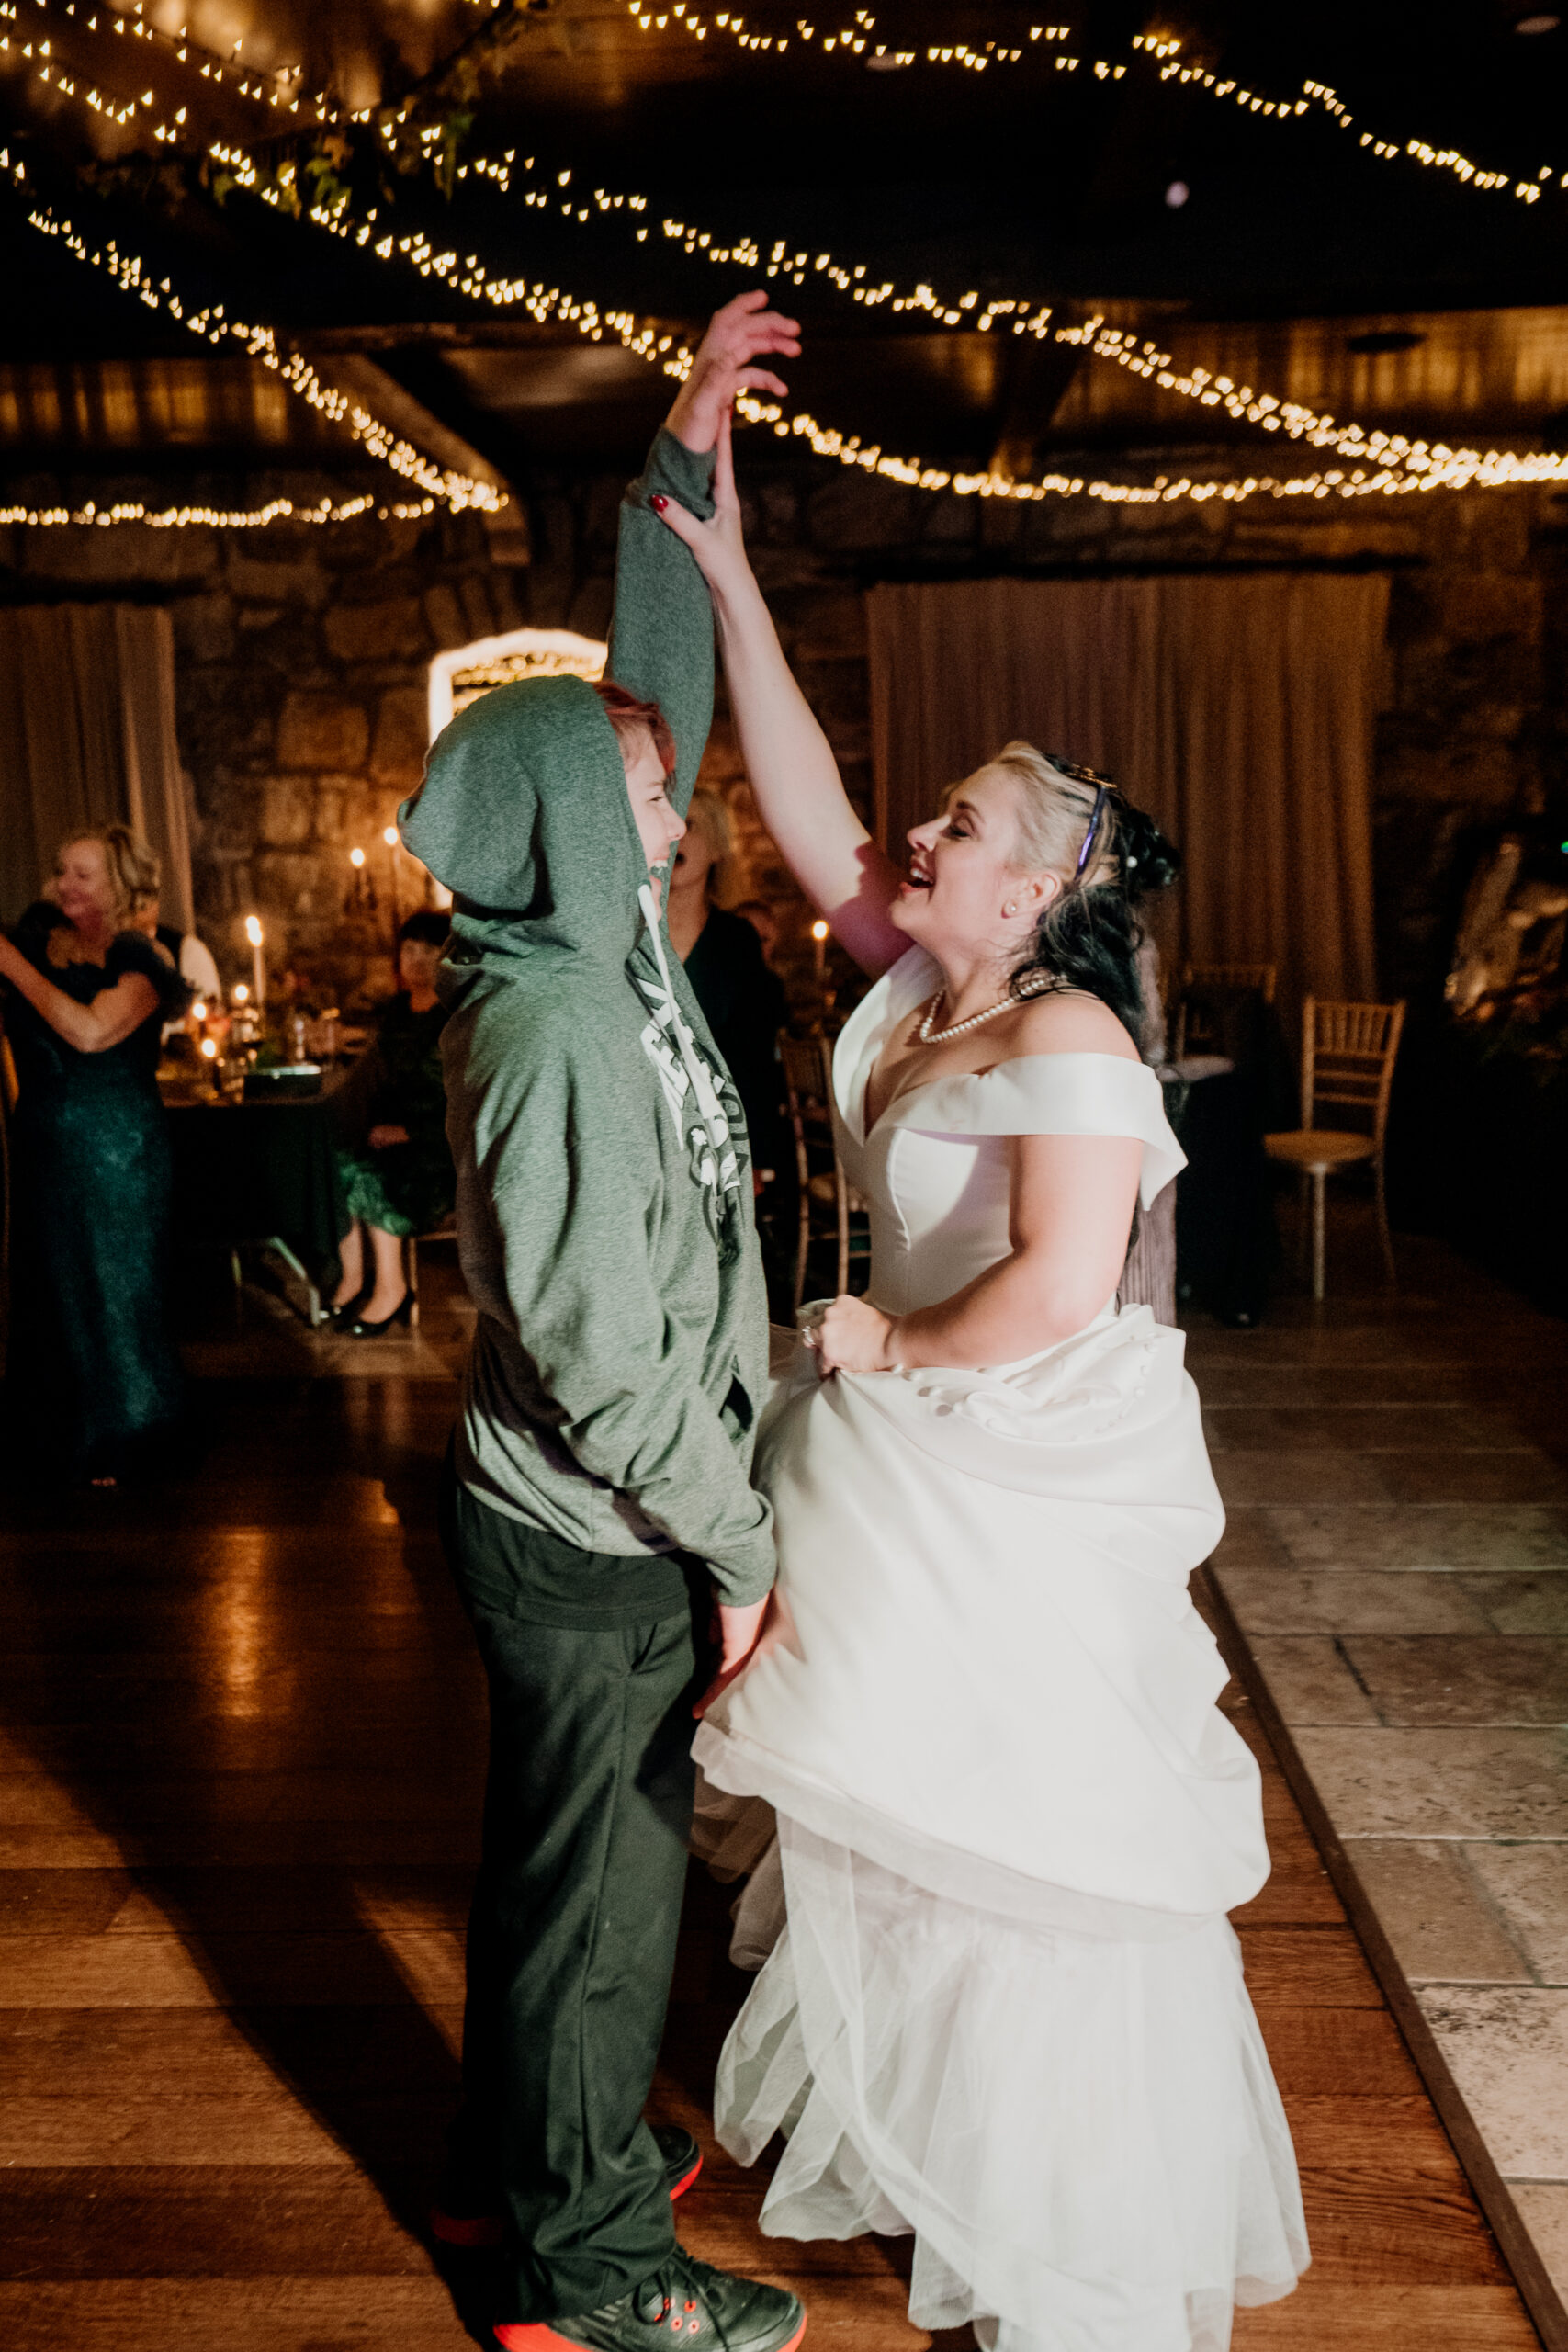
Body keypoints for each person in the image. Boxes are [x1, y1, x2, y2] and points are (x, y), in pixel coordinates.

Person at [655, 413, 1309, 2352]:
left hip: (1002, 1459)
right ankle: (941, 2141)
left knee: (1021, 1845)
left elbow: (1059, 1284)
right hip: (908, 1462)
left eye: (953, 827)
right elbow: (805, 811)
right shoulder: (920, 991)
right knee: (899, 1829)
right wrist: (728, 577)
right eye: (925, 823)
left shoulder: (1076, 1027)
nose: (912, 839)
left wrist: (882, 1341)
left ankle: (1057, 2225)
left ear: (1028, 893)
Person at [396, 295, 807, 2352]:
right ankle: (593, 2285)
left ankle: (517, 2174)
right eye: (646, 808)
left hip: (588, 1522)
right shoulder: (559, 1022)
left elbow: (647, 696)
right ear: (570, 823)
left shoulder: (588, 929)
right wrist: (736, 1551)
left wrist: (687, 433)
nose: (679, 824)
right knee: (599, 1913)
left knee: (565, 1881)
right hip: (602, 1534)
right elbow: (606, 1360)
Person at [0, 826, 190, 1486]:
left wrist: (9, 964)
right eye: (61, 871)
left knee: (117, 1297)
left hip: (118, 1152)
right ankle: (63, 1442)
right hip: (45, 1146)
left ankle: (132, 1439)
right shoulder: (38, 943)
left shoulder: (142, 956)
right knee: (57, 1298)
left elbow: (88, 1032)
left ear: (120, 883)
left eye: (82, 873)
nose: (63, 885)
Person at [328, 910, 456, 1336]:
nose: (417, 959)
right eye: (409, 949)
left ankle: (392, 1288)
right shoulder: (398, 1012)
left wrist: (409, 1133)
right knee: (338, 1161)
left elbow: (462, 1102)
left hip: (439, 1149)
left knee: (372, 1176)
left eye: (428, 950)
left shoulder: (454, 1017)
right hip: (393, 1139)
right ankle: (353, 1281)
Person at [666, 787, 789, 1184]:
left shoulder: (736, 940)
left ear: (717, 848)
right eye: (668, 821)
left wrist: (757, 1153)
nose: (675, 835)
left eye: (690, 825)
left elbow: (752, 1057)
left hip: (713, 1136)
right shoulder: (632, 933)